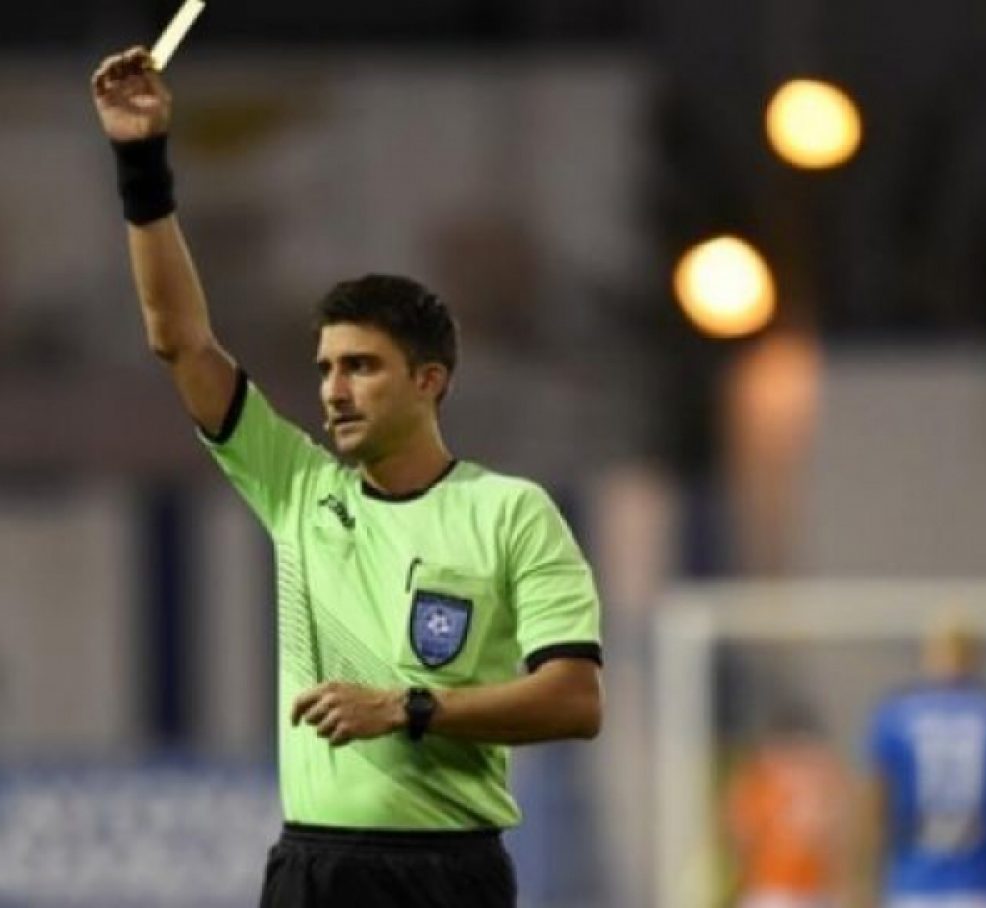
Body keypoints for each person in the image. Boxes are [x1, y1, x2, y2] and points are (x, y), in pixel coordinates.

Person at [91, 48, 605, 908]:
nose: (333, 390)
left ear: (429, 380)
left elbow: (575, 701)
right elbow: (179, 341)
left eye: (361, 366)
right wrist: (140, 159)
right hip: (315, 870)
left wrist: (409, 708)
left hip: (452, 874)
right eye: (326, 368)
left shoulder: (509, 511)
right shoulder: (297, 489)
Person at [857, 621, 986, 908]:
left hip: (913, 884)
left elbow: (873, 805)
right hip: (978, 885)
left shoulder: (896, 714)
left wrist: (861, 881)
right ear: (975, 656)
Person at [724, 706, 848, 908]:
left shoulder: (761, 776)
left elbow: (740, 834)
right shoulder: (761, 779)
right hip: (779, 888)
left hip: (792, 888)